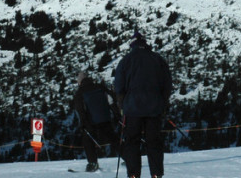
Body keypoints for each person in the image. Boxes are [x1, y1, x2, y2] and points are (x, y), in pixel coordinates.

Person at [114, 31, 173, 178]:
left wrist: (122, 106)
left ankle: (133, 175)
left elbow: (119, 87)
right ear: (145, 44)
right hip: (154, 108)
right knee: (154, 143)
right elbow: (167, 85)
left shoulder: (126, 61)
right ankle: (156, 174)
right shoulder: (157, 59)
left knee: (132, 143)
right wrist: (163, 104)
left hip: (132, 109)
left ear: (133, 44)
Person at [72, 71, 121, 172]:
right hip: (105, 119)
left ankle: (93, 163)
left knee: (88, 141)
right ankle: (129, 158)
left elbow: (81, 110)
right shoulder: (100, 87)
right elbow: (111, 101)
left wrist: (83, 125)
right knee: (114, 139)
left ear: (80, 82)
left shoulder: (79, 93)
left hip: (91, 122)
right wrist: (118, 116)